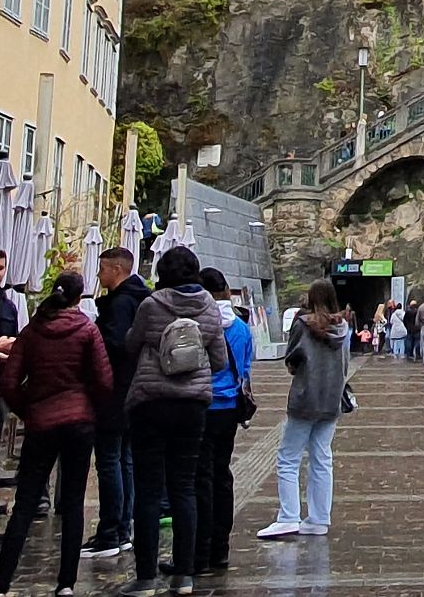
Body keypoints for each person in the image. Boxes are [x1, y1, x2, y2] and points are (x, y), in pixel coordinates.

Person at [0, 271, 110, 597]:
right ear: (78, 297)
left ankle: (0, 584)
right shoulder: (87, 330)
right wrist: (90, 408)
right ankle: (66, 582)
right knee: (72, 502)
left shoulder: (31, 332)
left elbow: (10, 382)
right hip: (79, 423)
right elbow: (103, 380)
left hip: (41, 423)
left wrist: (28, 409)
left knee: (25, 502)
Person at [125, 245, 230, 594]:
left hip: (151, 403)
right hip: (192, 407)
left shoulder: (151, 305)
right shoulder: (210, 307)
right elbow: (220, 361)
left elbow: (131, 343)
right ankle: (184, 574)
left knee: (149, 490)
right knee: (184, 487)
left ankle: (144, 578)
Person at [258, 279, 352, 540]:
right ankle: (319, 519)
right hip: (332, 399)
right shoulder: (344, 326)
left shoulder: (303, 324)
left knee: (288, 459)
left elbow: (292, 359)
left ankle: (289, 517)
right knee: (322, 459)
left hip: (305, 398)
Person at [83, 245, 149, 561]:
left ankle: (111, 530)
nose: (98, 275)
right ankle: (122, 528)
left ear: (116, 269)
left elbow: (114, 346)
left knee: (110, 459)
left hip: (114, 391)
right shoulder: (140, 300)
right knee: (125, 459)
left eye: (102, 269)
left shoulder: (121, 304)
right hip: (132, 390)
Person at [197, 266, 257, 573]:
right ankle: (221, 547)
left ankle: (201, 548)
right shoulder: (242, 327)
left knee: (200, 477)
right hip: (231, 407)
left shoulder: (200, 323)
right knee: (222, 475)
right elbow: (247, 365)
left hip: (204, 406)